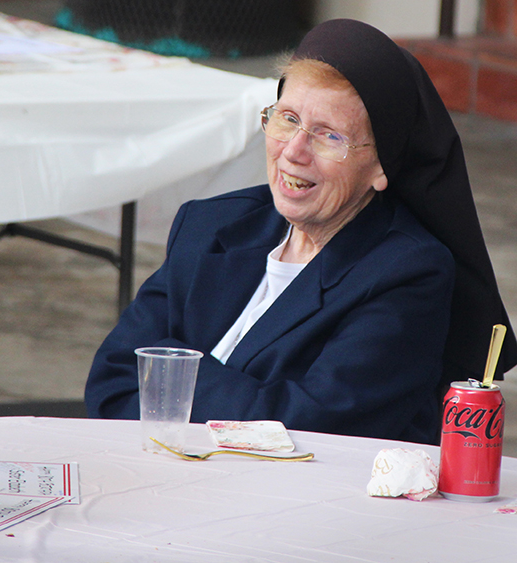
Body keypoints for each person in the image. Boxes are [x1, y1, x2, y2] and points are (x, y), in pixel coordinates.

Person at [84, 19, 517, 445]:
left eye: (329, 136)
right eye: (287, 119)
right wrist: (256, 405)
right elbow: (112, 380)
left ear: (382, 166)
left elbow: (317, 430)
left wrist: (172, 382)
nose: (294, 151)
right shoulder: (210, 225)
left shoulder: (407, 274)